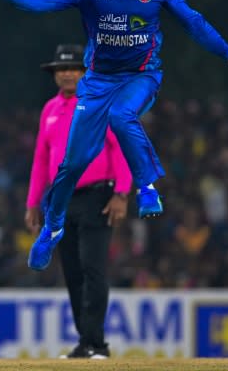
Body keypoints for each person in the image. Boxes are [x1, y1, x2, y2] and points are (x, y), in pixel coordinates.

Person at [0, 0, 228, 271]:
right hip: (98, 82)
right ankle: (53, 228)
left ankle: (147, 187)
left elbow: (193, 21)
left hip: (140, 77)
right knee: (71, 165)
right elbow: (38, 2)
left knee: (122, 115)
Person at [27, 43, 133, 359]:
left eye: (74, 68)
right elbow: (41, 158)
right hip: (61, 200)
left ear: (85, 72)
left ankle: (96, 343)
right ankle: (85, 342)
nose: (68, 74)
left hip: (98, 195)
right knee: (72, 271)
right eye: (62, 69)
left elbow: (122, 147)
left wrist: (122, 194)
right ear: (55, 75)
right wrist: (33, 203)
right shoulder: (49, 110)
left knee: (92, 267)